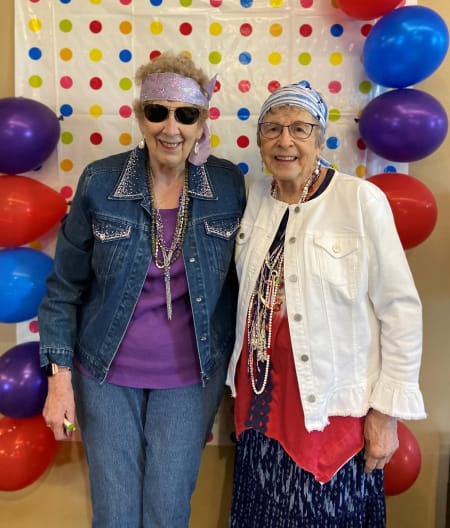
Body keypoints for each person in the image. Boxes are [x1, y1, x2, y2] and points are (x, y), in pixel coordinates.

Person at [38, 50, 246, 527]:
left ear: (201, 122)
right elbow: (63, 288)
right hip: (105, 373)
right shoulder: (101, 181)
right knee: (114, 514)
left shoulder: (228, 184)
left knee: (168, 511)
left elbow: (245, 281)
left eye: (185, 115)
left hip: (193, 375)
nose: (170, 127)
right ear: (139, 115)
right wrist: (59, 378)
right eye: (158, 112)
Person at [226, 80, 426, 527]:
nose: (285, 141)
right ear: (259, 141)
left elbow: (400, 310)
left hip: (330, 414)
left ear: (320, 138)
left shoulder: (359, 200)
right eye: (272, 128)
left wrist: (385, 414)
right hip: (260, 410)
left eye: (300, 128)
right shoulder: (257, 197)